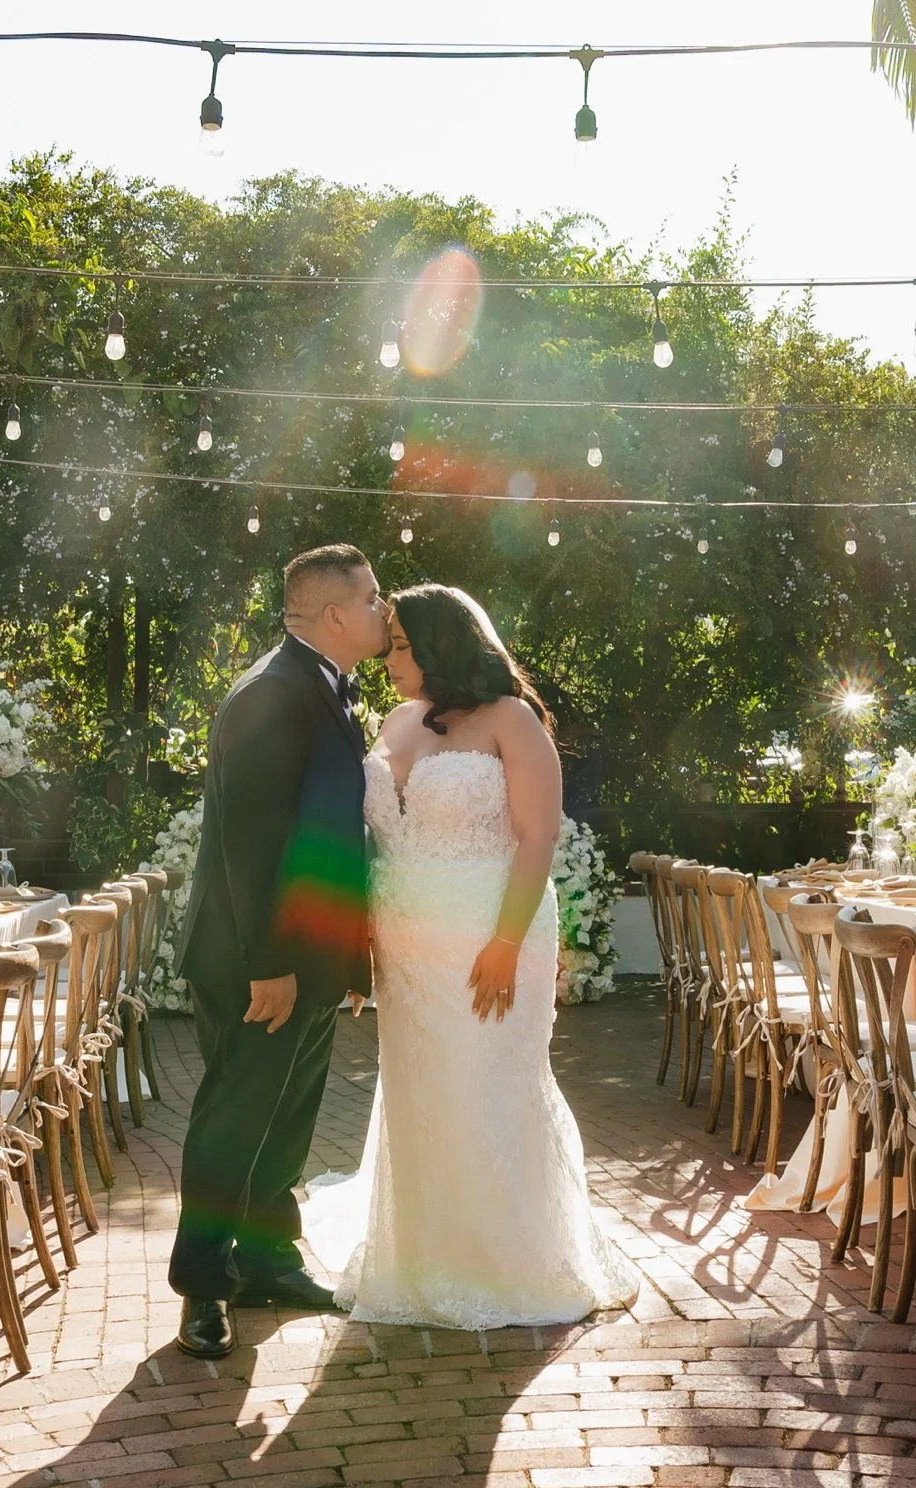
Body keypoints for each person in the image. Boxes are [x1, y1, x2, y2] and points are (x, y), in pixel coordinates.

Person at [299, 583, 637, 1328]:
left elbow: (538, 837)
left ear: (441, 645)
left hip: (491, 934)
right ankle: (421, 1254)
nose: (389, 659)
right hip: (406, 945)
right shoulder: (394, 719)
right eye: (388, 646)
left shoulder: (511, 720)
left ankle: (508, 1258)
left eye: (402, 646)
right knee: (423, 1090)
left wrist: (507, 944)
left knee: (488, 1082)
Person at [169, 545, 388, 1359]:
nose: (382, 610)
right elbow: (253, 845)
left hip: (310, 961)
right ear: (335, 615)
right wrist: (270, 963)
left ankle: (265, 1258)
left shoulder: (326, 689)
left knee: (287, 1118)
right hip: (257, 962)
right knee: (234, 1120)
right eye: (372, 599)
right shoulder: (273, 693)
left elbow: (326, 840)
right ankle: (201, 1288)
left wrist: (347, 962)